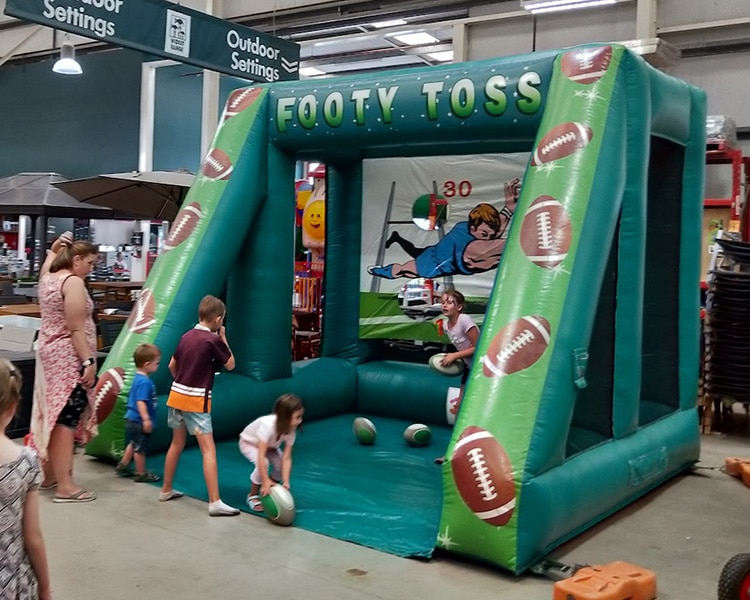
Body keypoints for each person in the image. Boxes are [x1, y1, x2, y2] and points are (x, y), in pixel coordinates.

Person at [30, 232, 99, 503]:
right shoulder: (73, 283)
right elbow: (75, 328)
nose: (91, 269)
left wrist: (53, 248)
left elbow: (47, 265)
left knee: (55, 414)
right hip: (67, 358)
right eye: (90, 263)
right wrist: (87, 362)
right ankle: (66, 486)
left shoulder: (48, 278)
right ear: (77, 259)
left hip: (49, 355)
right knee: (65, 419)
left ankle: (50, 476)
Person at [159, 295, 239, 516]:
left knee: (176, 444)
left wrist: (181, 382)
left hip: (175, 397)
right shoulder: (212, 340)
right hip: (196, 400)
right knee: (208, 449)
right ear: (218, 319)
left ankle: (165, 489)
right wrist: (223, 338)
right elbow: (231, 364)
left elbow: (171, 365)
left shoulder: (186, 336)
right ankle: (214, 501)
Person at [369, 178, 520, 280]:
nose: (487, 237)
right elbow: (486, 247)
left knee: (413, 255)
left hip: (436, 252)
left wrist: (508, 208)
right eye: (484, 234)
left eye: (490, 235)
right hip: (431, 261)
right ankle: (380, 270)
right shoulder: (468, 242)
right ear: (473, 226)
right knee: (404, 269)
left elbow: (497, 229)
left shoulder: (478, 233)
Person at [0, 359, 52, 600]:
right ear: (13, 407)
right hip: (10, 582)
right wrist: (44, 587)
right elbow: (32, 536)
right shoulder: (27, 462)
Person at [435, 288, 479, 465]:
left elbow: (479, 347)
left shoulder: (464, 320)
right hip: (469, 369)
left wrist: (454, 356)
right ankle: (453, 454)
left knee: (470, 410)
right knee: (459, 409)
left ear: (459, 307)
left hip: (481, 370)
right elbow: (464, 350)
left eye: (450, 302)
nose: (445, 305)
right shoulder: (446, 325)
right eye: (443, 301)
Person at [238, 394, 304, 512]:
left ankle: (270, 491)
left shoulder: (291, 430)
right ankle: (252, 496)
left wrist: (286, 481)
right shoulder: (268, 425)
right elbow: (261, 455)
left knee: (280, 466)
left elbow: (287, 458)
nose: (300, 421)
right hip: (249, 443)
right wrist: (264, 480)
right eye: (297, 417)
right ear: (285, 417)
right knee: (263, 463)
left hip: (270, 446)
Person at [115, 343, 161, 483]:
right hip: (139, 421)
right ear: (147, 364)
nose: (158, 366)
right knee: (140, 448)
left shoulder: (137, 378)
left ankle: (123, 465)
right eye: (156, 363)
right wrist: (146, 419)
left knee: (133, 443)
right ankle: (141, 473)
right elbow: (140, 401)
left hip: (131, 419)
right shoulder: (144, 382)